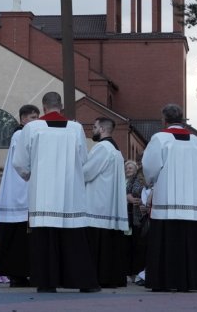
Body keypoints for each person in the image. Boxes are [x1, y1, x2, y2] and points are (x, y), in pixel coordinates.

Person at [13, 92, 99, 293]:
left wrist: (29, 175)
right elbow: (83, 160)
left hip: (42, 194)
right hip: (70, 193)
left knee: (44, 238)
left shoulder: (32, 128)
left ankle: (47, 283)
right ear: (61, 107)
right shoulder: (76, 128)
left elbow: (19, 162)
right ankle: (83, 282)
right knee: (74, 239)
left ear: (43, 108)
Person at [142, 103, 197, 292]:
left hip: (166, 200)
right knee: (187, 242)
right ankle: (188, 281)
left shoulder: (160, 138)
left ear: (164, 119)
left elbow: (150, 166)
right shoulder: (195, 141)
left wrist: (151, 181)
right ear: (181, 119)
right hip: (189, 201)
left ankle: (164, 280)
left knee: (165, 241)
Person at [0, 104, 39, 287]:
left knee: (22, 239)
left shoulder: (25, 134)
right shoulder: (20, 135)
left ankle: (22, 273)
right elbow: (26, 160)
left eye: (37, 117)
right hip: (20, 190)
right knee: (18, 238)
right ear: (22, 119)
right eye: (32, 118)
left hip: (23, 189)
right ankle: (17, 274)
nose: (36, 121)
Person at [84, 117, 129, 288]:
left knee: (97, 244)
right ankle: (111, 278)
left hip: (98, 204)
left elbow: (87, 173)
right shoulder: (115, 150)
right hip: (109, 204)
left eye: (94, 127)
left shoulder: (102, 148)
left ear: (102, 129)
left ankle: (98, 277)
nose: (92, 130)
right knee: (109, 244)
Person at [125, 160, 148, 282]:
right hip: (135, 216)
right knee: (135, 245)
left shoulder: (150, 174)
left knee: (142, 246)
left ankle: (141, 272)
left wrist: (143, 201)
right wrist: (131, 199)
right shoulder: (136, 176)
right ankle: (134, 273)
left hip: (145, 215)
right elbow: (127, 190)